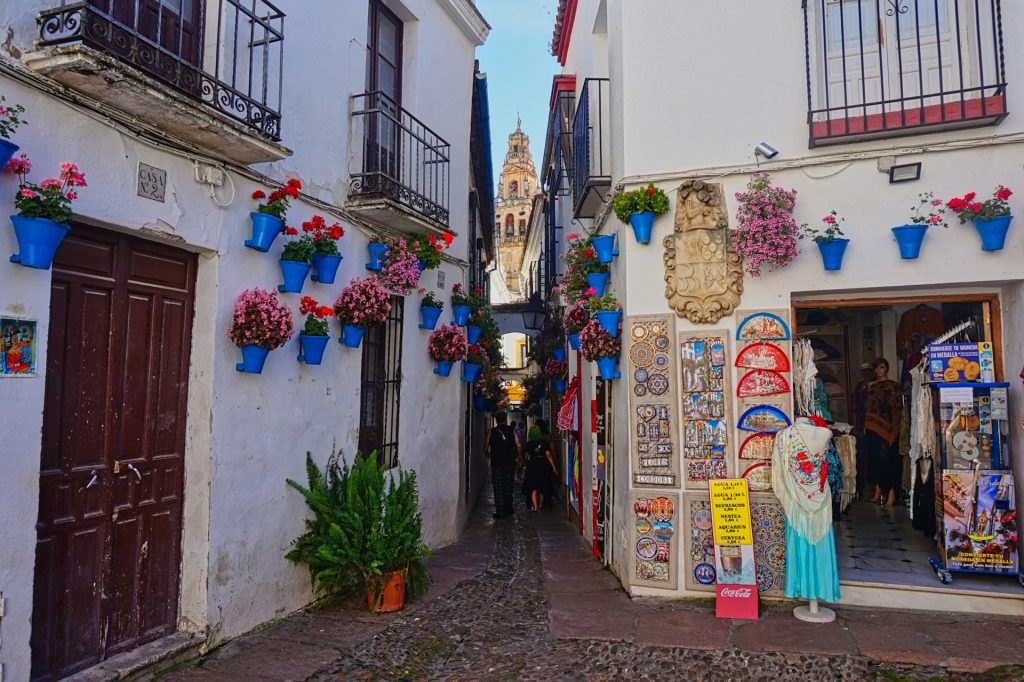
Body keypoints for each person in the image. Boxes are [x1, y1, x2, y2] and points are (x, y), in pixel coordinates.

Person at [864, 357, 902, 507]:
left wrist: (894, 426)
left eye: (881, 367)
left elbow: (896, 406)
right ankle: (877, 492)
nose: (879, 371)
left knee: (889, 460)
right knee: (875, 459)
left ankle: (891, 495)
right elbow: (868, 405)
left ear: (887, 368)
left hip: (890, 426)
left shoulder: (893, 386)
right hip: (873, 426)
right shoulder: (870, 386)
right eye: (876, 368)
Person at [485, 413, 521, 519]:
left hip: (496, 463)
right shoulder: (512, 430)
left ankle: (499, 511)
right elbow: (518, 444)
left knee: (498, 487)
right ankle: (508, 508)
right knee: (508, 486)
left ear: (496, 420)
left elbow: (486, 445)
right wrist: (518, 456)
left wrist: (488, 454)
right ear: (505, 419)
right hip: (510, 463)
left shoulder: (491, 431)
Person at [523, 425, 557, 512]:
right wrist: (554, 467)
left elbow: (526, 456)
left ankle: (535, 507)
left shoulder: (529, 444)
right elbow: (548, 455)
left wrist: (526, 461)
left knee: (533, 487)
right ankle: (541, 504)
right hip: (543, 464)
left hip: (532, 465)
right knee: (542, 485)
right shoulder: (545, 443)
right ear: (539, 434)